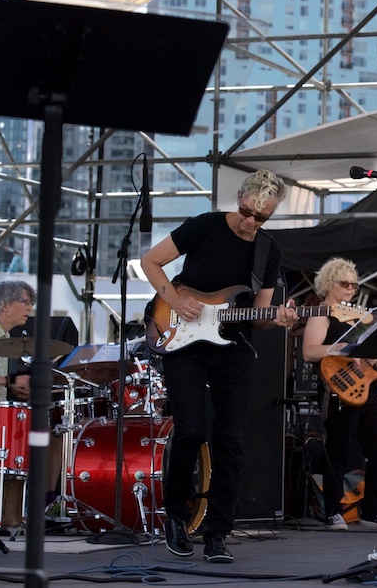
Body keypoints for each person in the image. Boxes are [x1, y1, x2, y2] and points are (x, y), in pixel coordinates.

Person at [141, 169, 299, 563]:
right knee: (191, 430)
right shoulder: (204, 226)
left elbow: (260, 316)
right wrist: (175, 300)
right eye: (247, 212)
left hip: (233, 347)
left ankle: (218, 533)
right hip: (184, 341)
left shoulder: (268, 249)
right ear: (240, 199)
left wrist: (278, 318)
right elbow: (151, 261)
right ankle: (176, 517)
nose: (251, 222)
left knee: (231, 439)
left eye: (261, 217)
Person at [301, 257, 377, 532]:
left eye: (354, 285)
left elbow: (376, 361)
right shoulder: (321, 313)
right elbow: (309, 351)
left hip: (368, 389)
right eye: (344, 283)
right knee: (339, 450)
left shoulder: (362, 316)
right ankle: (333, 511)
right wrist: (342, 348)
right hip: (338, 390)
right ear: (329, 284)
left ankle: (373, 510)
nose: (350, 289)